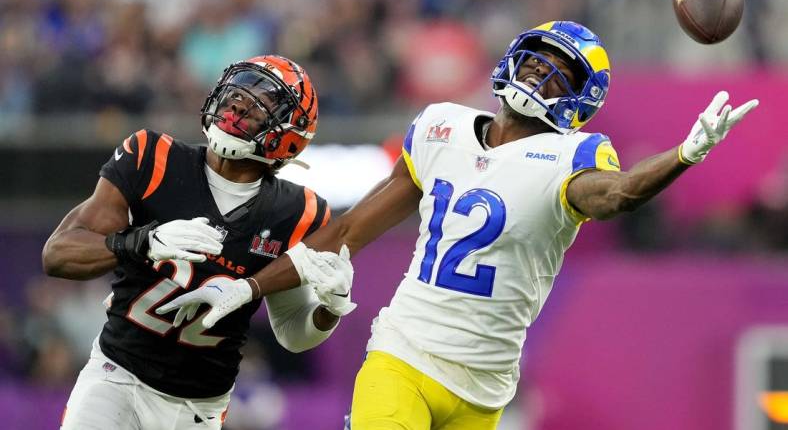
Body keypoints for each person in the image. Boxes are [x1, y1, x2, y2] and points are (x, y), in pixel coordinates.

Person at [161, 21, 759, 429]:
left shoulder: (571, 158)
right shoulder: (441, 127)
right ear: (510, 60)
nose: (540, 79)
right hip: (406, 354)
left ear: (582, 101)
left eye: (559, 77)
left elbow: (621, 192)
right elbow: (345, 235)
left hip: (487, 384)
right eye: (537, 63)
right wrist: (246, 287)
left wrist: (685, 154)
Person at [42, 55, 356, 430]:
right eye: (238, 90)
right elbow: (57, 254)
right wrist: (141, 241)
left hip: (200, 405)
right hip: (117, 375)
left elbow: (292, 330)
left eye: (262, 102)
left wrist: (330, 310)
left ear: (288, 134)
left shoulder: (297, 212)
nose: (239, 102)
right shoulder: (153, 157)